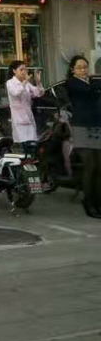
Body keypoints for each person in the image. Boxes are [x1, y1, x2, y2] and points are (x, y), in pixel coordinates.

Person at [64, 55, 101, 219]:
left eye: (85, 67)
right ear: (72, 70)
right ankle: (89, 203)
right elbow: (88, 91)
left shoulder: (92, 82)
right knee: (89, 166)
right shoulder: (72, 83)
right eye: (79, 67)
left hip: (97, 126)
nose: (83, 70)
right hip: (81, 127)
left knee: (99, 167)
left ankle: (98, 202)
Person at [5, 60, 43, 148]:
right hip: (19, 120)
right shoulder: (10, 83)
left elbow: (39, 93)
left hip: (29, 118)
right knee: (23, 146)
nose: (24, 72)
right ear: (14, 71)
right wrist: (25, 82)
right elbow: (16, 93)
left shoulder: (27, 84)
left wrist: (38, 82)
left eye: (25, 69)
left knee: (33, 144)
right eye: (21, 70)